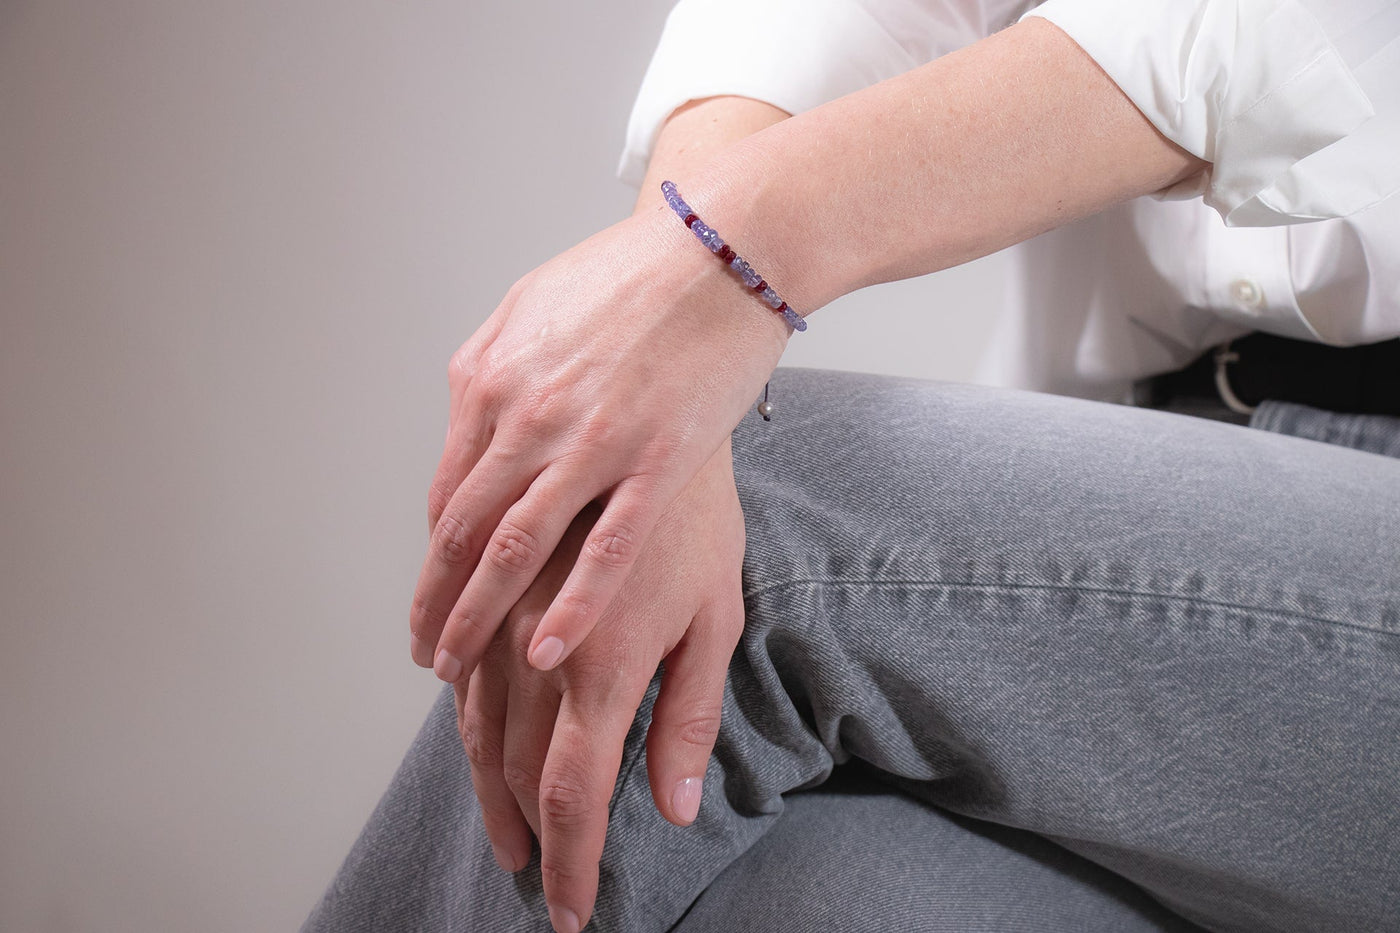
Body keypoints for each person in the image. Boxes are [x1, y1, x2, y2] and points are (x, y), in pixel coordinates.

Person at [307, 2, 1400, 931]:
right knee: (786, 891)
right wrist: (667, 338)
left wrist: (736, 251)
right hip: (1186, 455)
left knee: (749, 521)